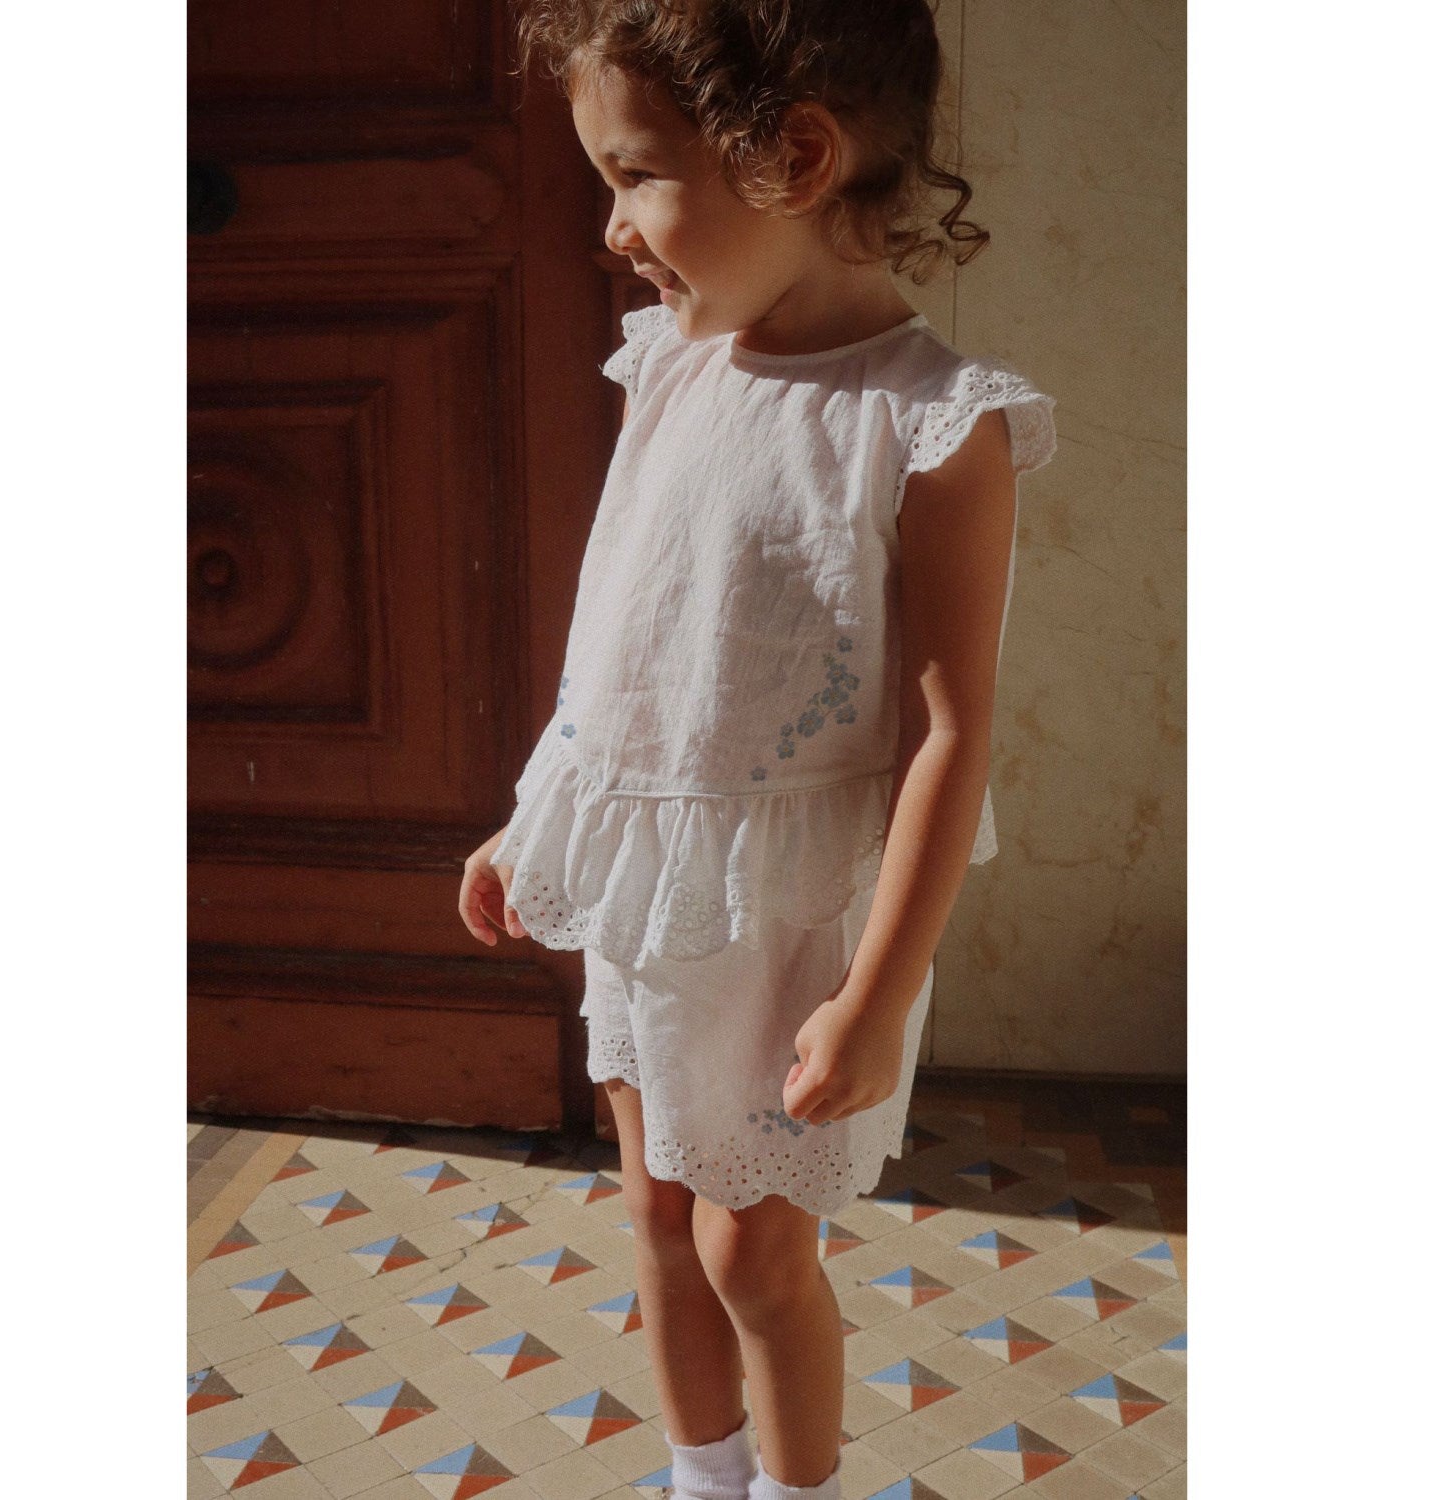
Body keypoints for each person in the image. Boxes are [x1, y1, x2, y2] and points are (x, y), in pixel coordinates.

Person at [458, 4, 1058, 1496]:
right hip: (654, 885)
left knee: (751, 1246)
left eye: (636, 175)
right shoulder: (669, 371)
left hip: (798, 917)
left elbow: (948, 732)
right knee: (658, 1215)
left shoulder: (933, 427)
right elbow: (622, 642)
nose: (611, 231)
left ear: (794, 157)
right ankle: (700, 1475)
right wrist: (534, 814)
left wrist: (878, 994)